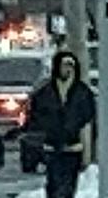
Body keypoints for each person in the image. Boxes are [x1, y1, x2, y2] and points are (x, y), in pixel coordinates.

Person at [27, 50, 96, 198]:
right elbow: (35, 120)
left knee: (68, 187)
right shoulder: (44, 94)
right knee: (54, 186)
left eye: (71, 65)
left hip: (73, 148)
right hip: (51, 149)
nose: (68, 69)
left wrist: (87, 153)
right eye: (64, 65)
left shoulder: (83, 93)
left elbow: (87, 122)